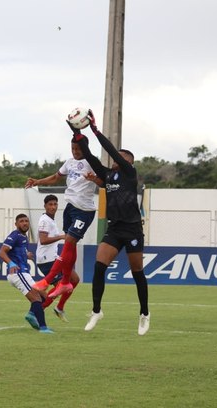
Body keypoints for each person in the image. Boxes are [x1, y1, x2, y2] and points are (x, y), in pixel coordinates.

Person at [72, 110, 150, 335]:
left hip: (133, 229)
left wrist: (95, 130)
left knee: (137, 273)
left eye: (122, 156)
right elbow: (90, 155)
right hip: (115, 228)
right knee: (99, 267)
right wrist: (77, 132)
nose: (118, 158)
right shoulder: (108, 176)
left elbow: (110, 151)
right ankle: (97, 310)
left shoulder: (129, 173)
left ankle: (144, 313)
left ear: (129, 161)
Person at [25, 138, 97, 299]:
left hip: (83, 210)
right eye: (72, 148)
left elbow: (103, 182)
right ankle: (63, 287)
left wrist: (94, 179)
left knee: (70, 241)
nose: (75, 151)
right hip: (70, 208)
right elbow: (55, 177)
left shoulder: (92, 162)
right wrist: (38, 181)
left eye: (78, 149)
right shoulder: (69, 163)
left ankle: (48, 281)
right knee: (70, 244)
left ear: (85, 148)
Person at [0, 214, 54, 334]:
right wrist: (11, 264)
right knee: (37, 298)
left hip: (24, 273)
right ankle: (43, 327)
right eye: (21, 221)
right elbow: (2, 252)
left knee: (45, 296)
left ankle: (31, 314)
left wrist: (26, 255)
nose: (24, 223)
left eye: (26, 221)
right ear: (16, 224)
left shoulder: (24, 237)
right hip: (18, 273)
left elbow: (17, 251)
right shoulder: (15, 235)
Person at [35, 194, 80, 322]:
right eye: (50, 204)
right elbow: (43, 240)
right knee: (62, 285)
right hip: (46, 259)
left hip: (53, 257)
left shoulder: (51, 220)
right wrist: (61, 237)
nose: (53, 207)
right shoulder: (44, 220)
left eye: (55, 204)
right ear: (45, 206)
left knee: (74, 280)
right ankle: (37, 310)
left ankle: (59, 307)